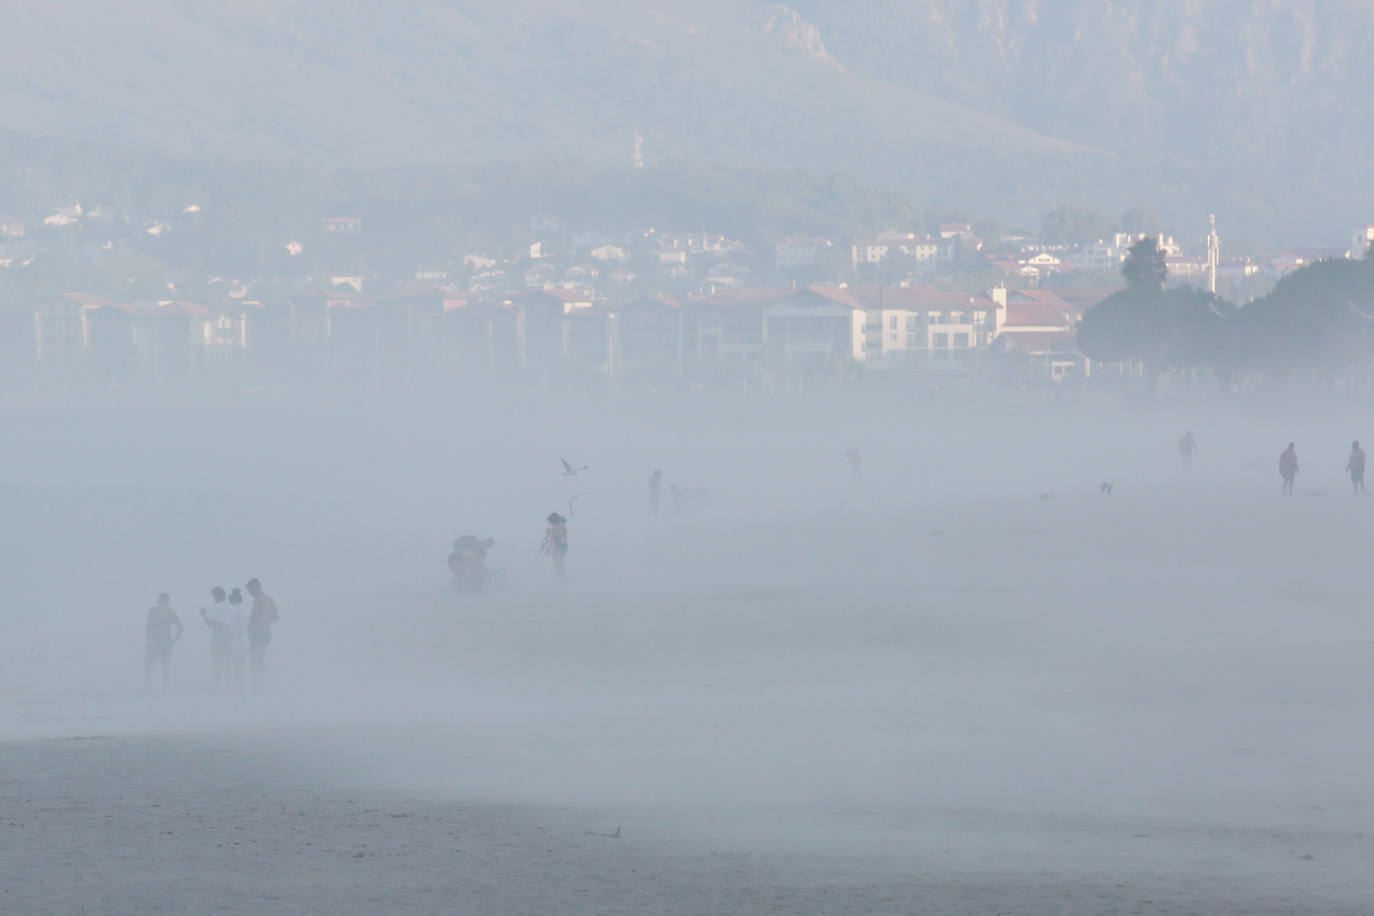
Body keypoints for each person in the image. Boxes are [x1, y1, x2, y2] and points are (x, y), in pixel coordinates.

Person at [144, 593, 183, 692]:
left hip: (155, 641)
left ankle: (148, 688)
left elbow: (148, 627)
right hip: (167, 641)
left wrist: (149, 640)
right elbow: (181, 628)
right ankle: (165, 688)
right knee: (165, 665)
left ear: (159, 600)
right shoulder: (171, 612)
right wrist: (174, 641)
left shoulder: (153, 611)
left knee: (149, 666)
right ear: (168, 601)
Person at [200, 587, 235, 690]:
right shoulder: (231, 608)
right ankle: (229, 687)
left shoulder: (215, 608)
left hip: (218, 639)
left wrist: (203, 615)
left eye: (214, 596)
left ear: (217, 596)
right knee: (227, 663)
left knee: (217, 664)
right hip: (231, 638)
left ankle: (217, 687)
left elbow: (209, 624)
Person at [246, 578, 279, 686]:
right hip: (266, 632)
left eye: (250, 590)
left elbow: (254, 617)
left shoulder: (257, 600)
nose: (250, 593)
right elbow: (275, 616)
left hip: (257, 632)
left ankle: (257, 683)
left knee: (255, 658)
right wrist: (266, 620)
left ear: (256, 587)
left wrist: (250, 628)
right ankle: (261, 681)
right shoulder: (270, 599)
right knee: (260, 657)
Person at [542, 512, 568, 579]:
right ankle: (561, 576)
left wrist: (549, 532)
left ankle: (560, 577)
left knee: (558, 563)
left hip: (558, 547)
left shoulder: (556, 527)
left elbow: (555, 536)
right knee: (560, 562)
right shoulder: (561, 525)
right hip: (561, 546)